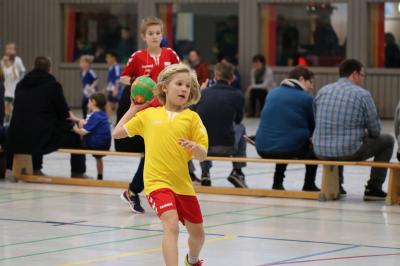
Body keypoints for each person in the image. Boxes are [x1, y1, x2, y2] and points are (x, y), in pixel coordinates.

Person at [113, 64, 207, 266]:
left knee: (198, 235)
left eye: (188, 86)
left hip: (183, 185)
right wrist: (132, 109)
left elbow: (203, 154)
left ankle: (192, 260)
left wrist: (196, 147)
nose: (184, 89)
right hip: (157, 183)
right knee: (170, 225)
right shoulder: (149, 115)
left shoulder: (192, 118)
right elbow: (117, 133)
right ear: (164, 87)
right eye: (179, 84)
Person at [118, 16, 181, 214]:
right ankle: (142, 191)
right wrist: (138, 82)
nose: (155, 36)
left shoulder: (170, 54)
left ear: (162, 35)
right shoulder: (137, 57)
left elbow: (181, 73)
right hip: (146, 112)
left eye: (158, 33)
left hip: (167, 109)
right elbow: (124, 78)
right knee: (155, 152)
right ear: (144, 37)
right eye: (150, 34)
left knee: (159, 153)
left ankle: (137, 190)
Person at [313, 59, 394, 200]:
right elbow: (375, 131)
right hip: (349, 151)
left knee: (338, 137)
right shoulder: (362, 94)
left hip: (320, 150)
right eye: (362, 76)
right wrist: (364, 131)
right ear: (355, 74)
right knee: (387, 140)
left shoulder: (322, 91)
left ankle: (337, 185)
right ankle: (373, 188)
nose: (363, 80)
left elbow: (318, 122)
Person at [6, 56, 86, 177]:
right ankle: (78, 172)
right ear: (50, 69)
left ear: (33, 67)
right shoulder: (53, 85)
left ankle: (36, 168)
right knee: (74, 135)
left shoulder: (21, 85)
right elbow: (64, 113)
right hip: (41, 135)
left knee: (37, 125)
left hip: (18, 134)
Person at [255, 66, 319, 191]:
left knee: (283, 140)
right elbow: (314, 126)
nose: (311, 86)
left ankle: (277, 182)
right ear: (301, 79)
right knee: (313, 150)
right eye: (310, 82)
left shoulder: (272, 93)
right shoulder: (306, 98)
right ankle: (309, 184)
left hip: (262, 148)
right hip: (288, 148)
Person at [196, 61, 247, 188]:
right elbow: (238, 120)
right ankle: (238, 171)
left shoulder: (202, 94)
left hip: (203, 149)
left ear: (216, 76)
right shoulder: (237, 95)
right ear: (232, 77)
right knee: (241, 127)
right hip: (226, 147)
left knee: (203, 127)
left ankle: (205, 172)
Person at [71, 93, 111, 180]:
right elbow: (88, 123)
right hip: (105, 145)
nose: (87, 104)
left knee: (80, 128)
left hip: (95, 144)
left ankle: (78, 170)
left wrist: (74, 128)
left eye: (88, 102)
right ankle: (100, 176)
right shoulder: (103, 115)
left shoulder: (94, 116)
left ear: (93, 102)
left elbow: (82, 132)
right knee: (98, 157)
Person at [1, 54, 19, 124]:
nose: (5, 62)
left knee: (10, 107)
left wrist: (14, 70)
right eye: (4, 60)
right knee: (6, 106)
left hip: (11, 92)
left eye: (6, 60)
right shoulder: (3, 69)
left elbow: (15, 78)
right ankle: (7, 120)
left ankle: (11, 120)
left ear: (10, 61)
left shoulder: (13, 68)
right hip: (5, 91)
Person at [104, 51, 122, 118]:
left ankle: (118, 120)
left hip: (115, 89)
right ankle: (110, 120)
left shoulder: (116, 67)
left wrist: (116, 89)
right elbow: (110, 80)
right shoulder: (110, 67)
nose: (106, 59)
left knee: (117, 105)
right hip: (111, 89)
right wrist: (106, 88)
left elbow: (117, 79)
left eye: (108, 57)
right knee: (109, 104)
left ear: (113, 58)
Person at [79, 55, 98, 119]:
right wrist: (83, 88)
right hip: (86, 92)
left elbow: (96, 80)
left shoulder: (90, 72)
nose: (80, 64)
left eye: (82, 62)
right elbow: (83, 82)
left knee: (92, 105)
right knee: (84, 105)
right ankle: (85, 118)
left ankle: (93, 118)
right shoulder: (82, 72)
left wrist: (91, 87)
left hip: (92, 92)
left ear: (87, 63)